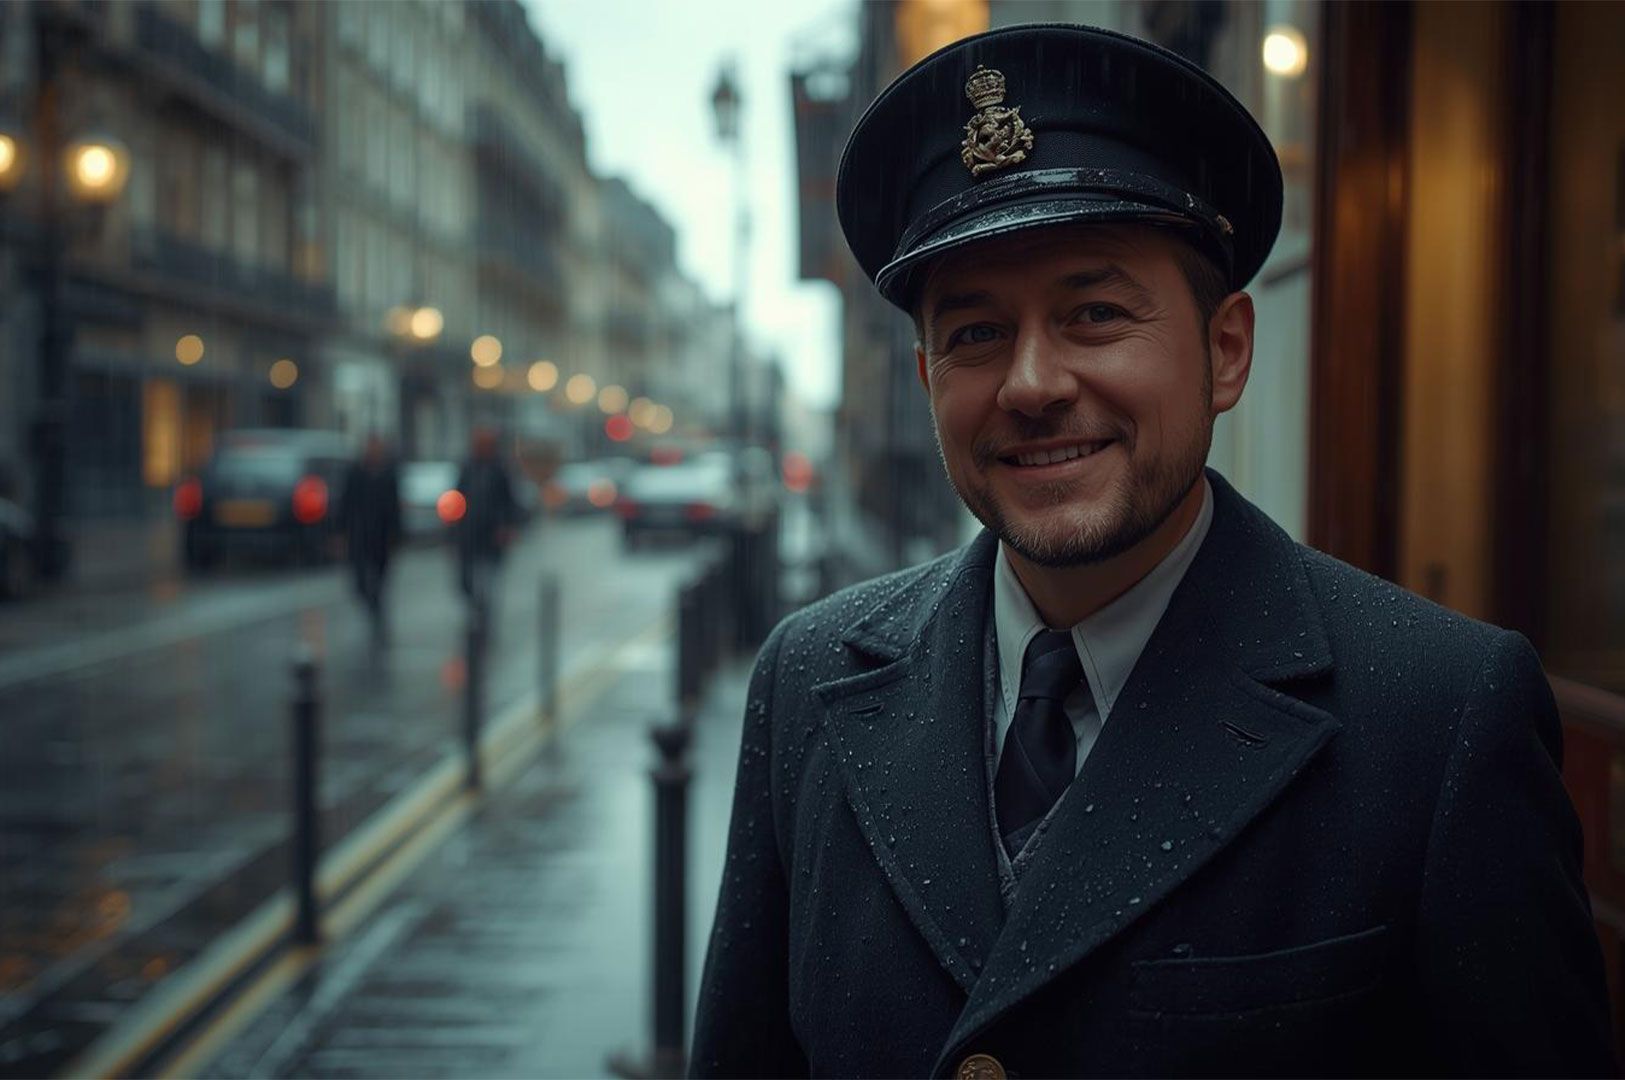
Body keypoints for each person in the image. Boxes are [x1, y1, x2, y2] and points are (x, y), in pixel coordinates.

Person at [691, 25, 1614, 1079]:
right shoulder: (810, 681)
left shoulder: (1436, 713)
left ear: (1224, 350)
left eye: (1092, 313)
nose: (1030, 384)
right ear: (926, 378)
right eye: (976, 333)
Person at [339, 434, 401, 643]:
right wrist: (339, 532)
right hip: (360, 535)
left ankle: (377, 609)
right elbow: (345, 503)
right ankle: (372, 606)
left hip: (382, 537)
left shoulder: (388, 474)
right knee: (359, 581)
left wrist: (397, 534)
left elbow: (394, 506)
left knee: (380, 578)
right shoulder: (355, 473)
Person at [454, 426, 520, 617]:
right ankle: (475, 608)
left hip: (492, 534)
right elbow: (458, 497)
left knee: (488, 579)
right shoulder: (467, 468)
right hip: (468, 534)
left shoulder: (500, 470)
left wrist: (507, 526)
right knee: (466, 579)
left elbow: (509, 501)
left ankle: (484, 614)